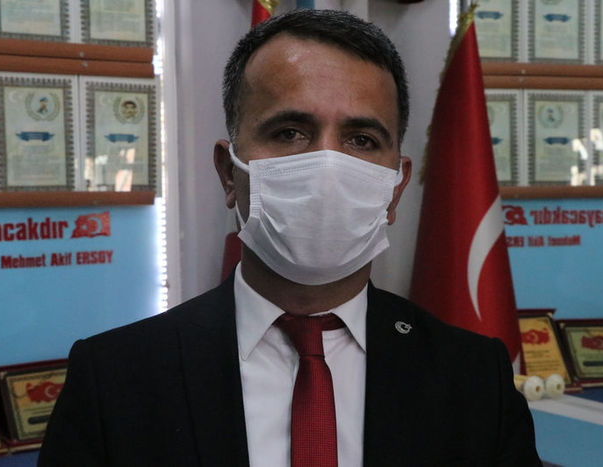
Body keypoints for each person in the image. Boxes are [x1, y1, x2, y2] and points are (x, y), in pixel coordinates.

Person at [39, 9, 541, 466]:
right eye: (289, 132)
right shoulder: (114, 379)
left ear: (396, 187)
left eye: (361, 140)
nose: (327, 166)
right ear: (229, 173)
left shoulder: (476, 379)